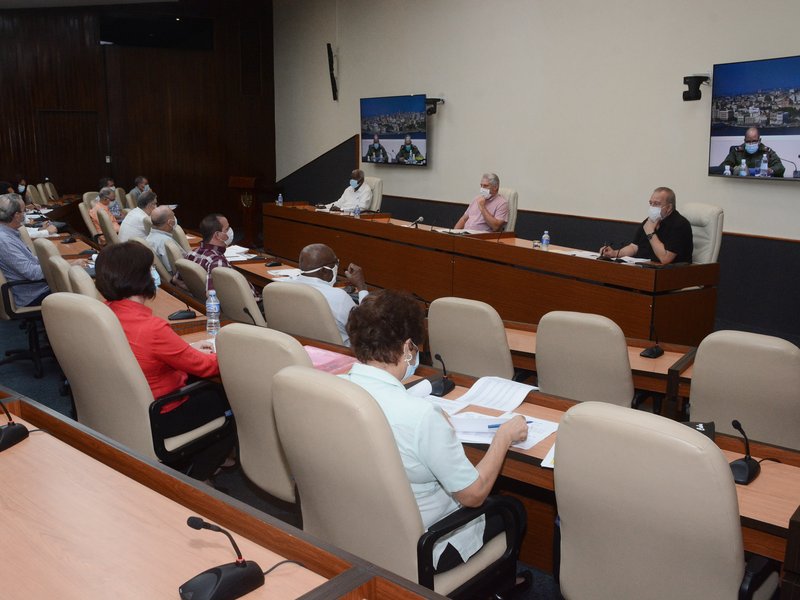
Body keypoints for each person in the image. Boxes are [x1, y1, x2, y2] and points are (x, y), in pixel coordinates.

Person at [343, 289, 530, 578]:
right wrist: (503, 437)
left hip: (352, 528)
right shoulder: (419, 416)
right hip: (422, 547)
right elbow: (474, 495)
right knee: (513, 509)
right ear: (407, 348)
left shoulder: (334, 390)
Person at [95, 241, 235, 480]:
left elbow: (147, 353)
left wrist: (187, 349)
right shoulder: (152, 328)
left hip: (122, 406)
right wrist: (234, 354)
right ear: (142, 277)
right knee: (228, 403)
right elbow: (206, 366)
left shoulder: (103, 314)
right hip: (163, 413)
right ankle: (197, 477)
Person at [290, 243, 367, 346]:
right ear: (325, 271)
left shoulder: (282, 287)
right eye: (335, 263)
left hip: (297, 349)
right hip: (339, 354)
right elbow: (367, 327)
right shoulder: (338, 297)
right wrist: (362, 287)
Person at [600, 186, 693, 264]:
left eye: (656, 204)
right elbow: (634, 247)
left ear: (669, 207)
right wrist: (614, 253)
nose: (652, 207)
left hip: (670, 273)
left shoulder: (680, 225)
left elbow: (665, 259)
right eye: (651, 203)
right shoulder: (649, 221)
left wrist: (650, 233)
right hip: (645, 267)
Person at [181, 213, 258, 298]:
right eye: (227, 229)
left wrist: (197, 293)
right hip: (251, 305)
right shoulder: (217, 262)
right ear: (217, 235)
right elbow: (212, 296)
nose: (230, 231)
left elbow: (176, 280)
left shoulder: (191, 253)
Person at [0, 194, 51, 307]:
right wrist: (60, 267)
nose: (26, 214)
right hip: (33, 295)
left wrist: (58, 261)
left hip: (37, 288)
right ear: (17, 215)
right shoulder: (4, 241)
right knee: (81, 288)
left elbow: (30, 261)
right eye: (24, 211)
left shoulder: (9, 233)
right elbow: (33, 273)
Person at [720, 127, 785, 177]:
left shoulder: (766, 152)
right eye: (748, 141)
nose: (751, 144)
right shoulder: (737, 151)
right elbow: (723, 166)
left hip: (761, 185)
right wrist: (736, 169)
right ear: (744, 140)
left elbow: (780, 167)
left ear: (759, 140)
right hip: (740, 184)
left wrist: (770, 170)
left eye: (754, 141)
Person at [147, 205, 181, 275]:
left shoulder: (150, 236)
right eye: (173, 215)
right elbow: (174, 271)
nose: (175, 218)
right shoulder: (166, 243)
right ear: (170, 223)